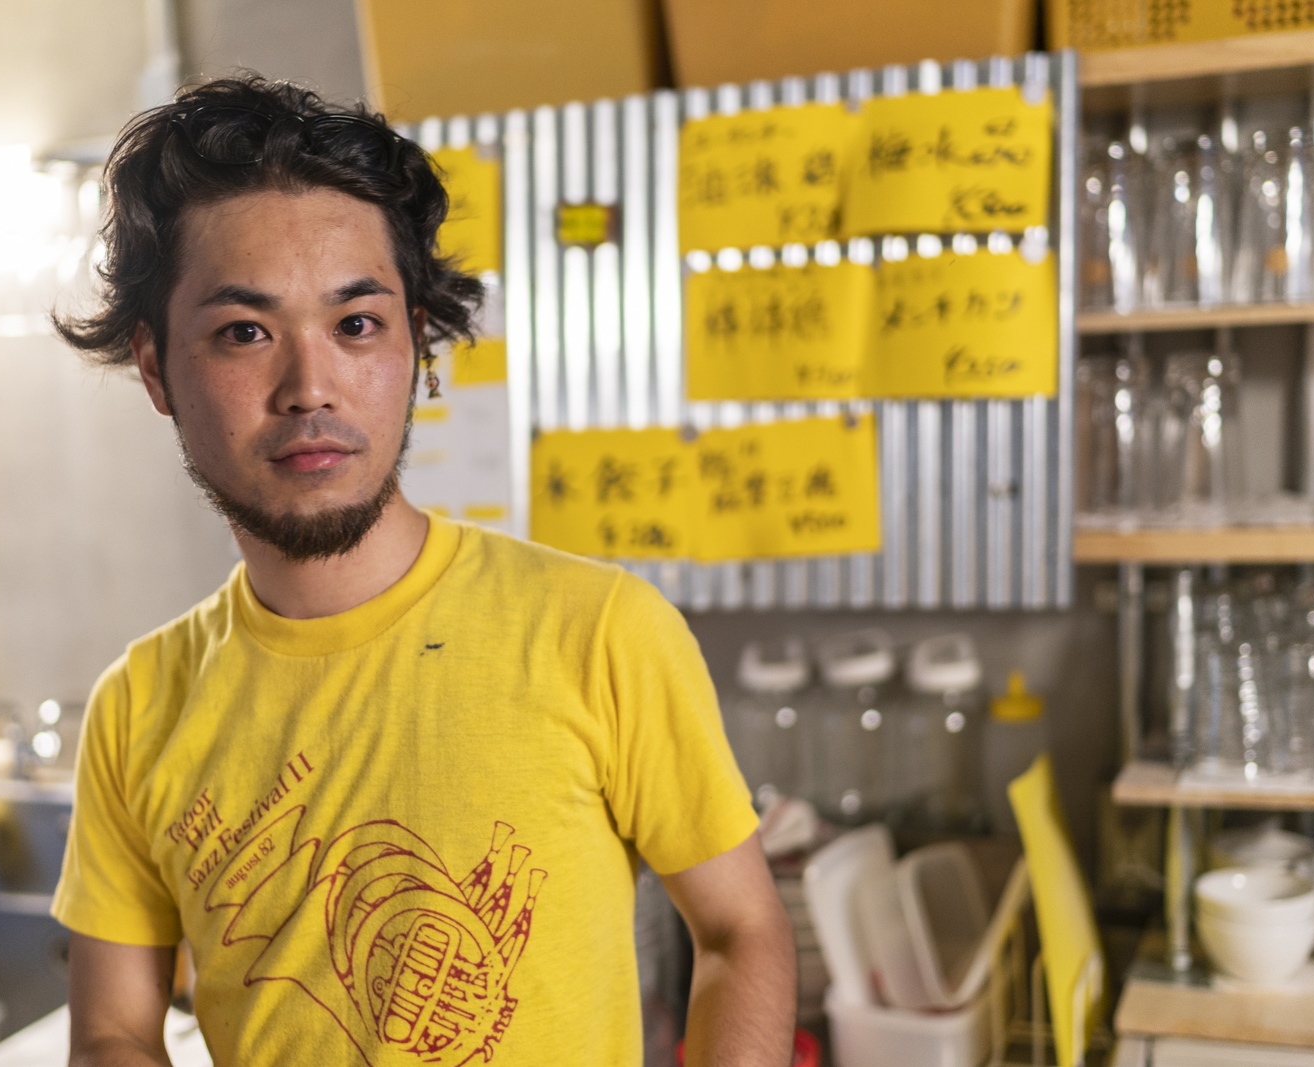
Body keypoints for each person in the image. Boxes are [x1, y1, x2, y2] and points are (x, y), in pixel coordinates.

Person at [50, 73, 795, 1067]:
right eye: (243, 332)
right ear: (155, 367)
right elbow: (110, 1027)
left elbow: (741, 930)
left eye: (356, 324)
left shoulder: (599, 628)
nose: (309, 387)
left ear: (416, 347)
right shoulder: (138, 706)